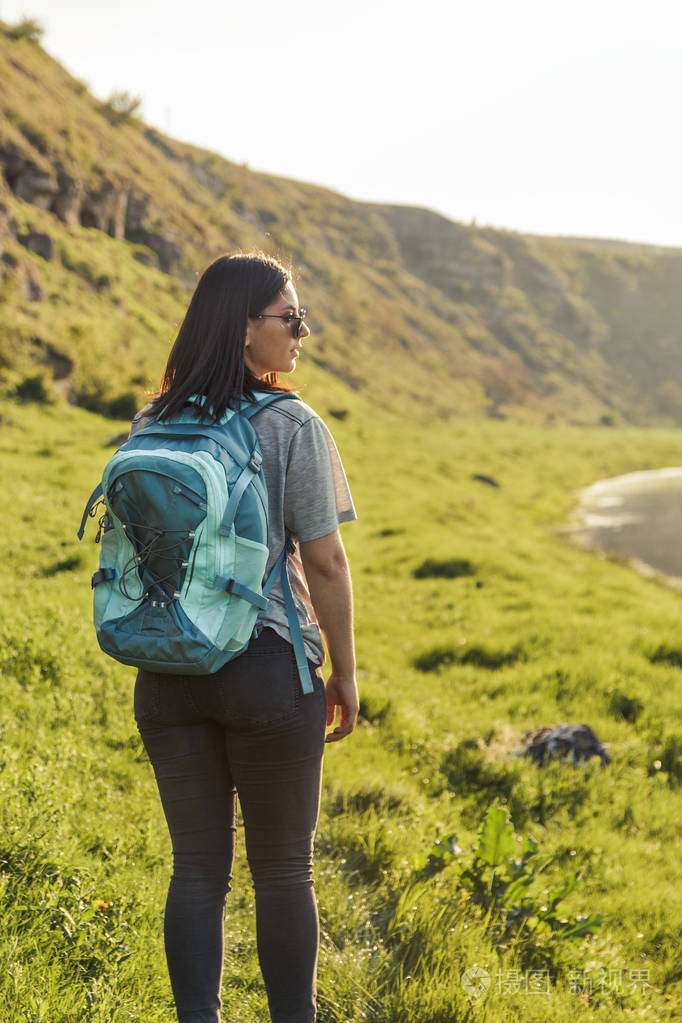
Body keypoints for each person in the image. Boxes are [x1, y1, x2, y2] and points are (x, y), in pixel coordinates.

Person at [131, 252, 359, 1023]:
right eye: (289, 318)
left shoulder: (153, 420)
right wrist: (347, 674)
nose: (303, 332)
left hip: (166, 670)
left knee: (196, 871)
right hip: (267, 667)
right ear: (244, 328)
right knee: (284, 870)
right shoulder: (293, 423)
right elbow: (325, 560)